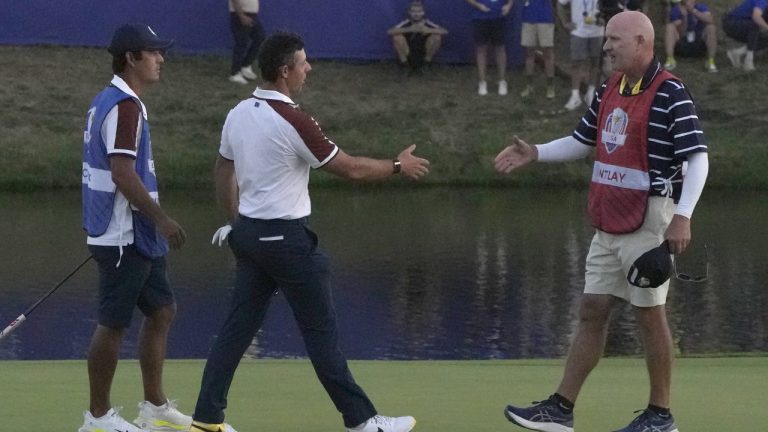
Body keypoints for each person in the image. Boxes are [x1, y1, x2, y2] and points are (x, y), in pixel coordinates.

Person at [188, 31, 430, 432]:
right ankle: (364, 422)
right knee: (322, 336)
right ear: (285, 71)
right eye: (303, 63)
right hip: (288, 244)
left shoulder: (239, 112)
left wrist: (237, 223)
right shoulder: (293, 120)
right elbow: (350, 168)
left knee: (236, 331)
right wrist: (398, 166)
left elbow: (223, 171)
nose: (309, 68)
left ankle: (207, 420)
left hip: (250, 239)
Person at [495, 11, 708, 432]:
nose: (606, 46)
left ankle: (660, 417)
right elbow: (582, 141)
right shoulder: (611, 85)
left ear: (643, 42)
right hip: (609, 218)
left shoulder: (670, 91)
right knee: (592, 310)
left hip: (650, 220)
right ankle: (559, 409)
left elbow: (697, 157)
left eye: (615, 39)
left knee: (651, 315)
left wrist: (681, 217)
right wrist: (536, 151)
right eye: (606, 39)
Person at [79, 23, 191, 432]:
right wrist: (161, 219)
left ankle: (154, 406)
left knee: (162, 310)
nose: (161, 59)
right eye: (153, 52)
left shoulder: (113, 101)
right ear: (131, 58)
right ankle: (97, 418)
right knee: (113, 323)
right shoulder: (124, 106)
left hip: (131, 231)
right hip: (124, 233)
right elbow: (123, 174)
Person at [557, 0, 604, 111]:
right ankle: (575, 95)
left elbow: (613, 6)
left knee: (595, 62)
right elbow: (560, 4)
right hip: (578, 31)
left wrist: (606, 19)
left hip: (597, 31)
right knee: (576, 63)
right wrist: (564, 23)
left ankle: (590, 93)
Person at [466, 0, 514, 95]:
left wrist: (508, 6)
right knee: (481, 49)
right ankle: (482, 82)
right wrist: (478, 5)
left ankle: (502, 81)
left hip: (499, 16)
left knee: (500, 48)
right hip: (480, 17)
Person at [388, 0, 448, 75]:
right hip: (408, 54)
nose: (416, 14)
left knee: (437, 37)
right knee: (397, 37)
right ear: (409, 12)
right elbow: (390, 31)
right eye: (413, 11)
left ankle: (426, 65)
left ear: (423, 12)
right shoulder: (406, 23)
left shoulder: (427, 23)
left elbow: (444, 31)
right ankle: (405, 66)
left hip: (423, 54)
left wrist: (428, 30)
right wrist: (410, 29)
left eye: (419, 11)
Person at [663, 0, 718, 73]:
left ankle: (710, 61)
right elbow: (681, 32)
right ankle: (670, 59)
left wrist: (693, 11)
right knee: (669, 27)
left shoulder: (701, 7)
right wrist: (684, 17)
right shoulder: (676, 10)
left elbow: (710, 20)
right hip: (682, 44)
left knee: (711, 28)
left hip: (699, 43)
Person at [519, 0, 557, 99]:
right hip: (528, 18)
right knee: (529, 53)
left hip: (545, 18)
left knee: (548, 54)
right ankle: (529, 85)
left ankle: (550, 86)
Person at [722, 0, 768, 71]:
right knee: (754, 24)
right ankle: (748, 61)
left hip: (743, 25)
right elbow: (756, 17)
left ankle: (737, 53)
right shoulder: (762, 1)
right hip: (731, 23)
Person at [228, 0, 265, 84]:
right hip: (240, 15)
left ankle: (245, 66)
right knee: (241, 43)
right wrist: (241, 16)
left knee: (260, 38)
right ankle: (235, 73)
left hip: (252, 15)